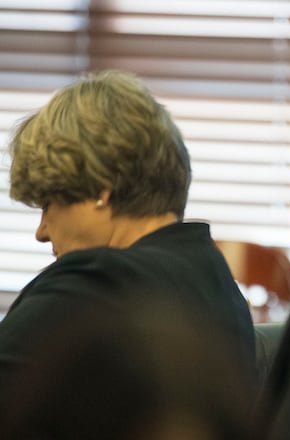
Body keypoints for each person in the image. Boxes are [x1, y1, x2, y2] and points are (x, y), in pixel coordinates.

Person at [0, 70, 257, 434]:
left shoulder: (93, 283)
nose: (41, 232)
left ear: (100, 190)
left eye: (48, 204)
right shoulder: (217, 282)